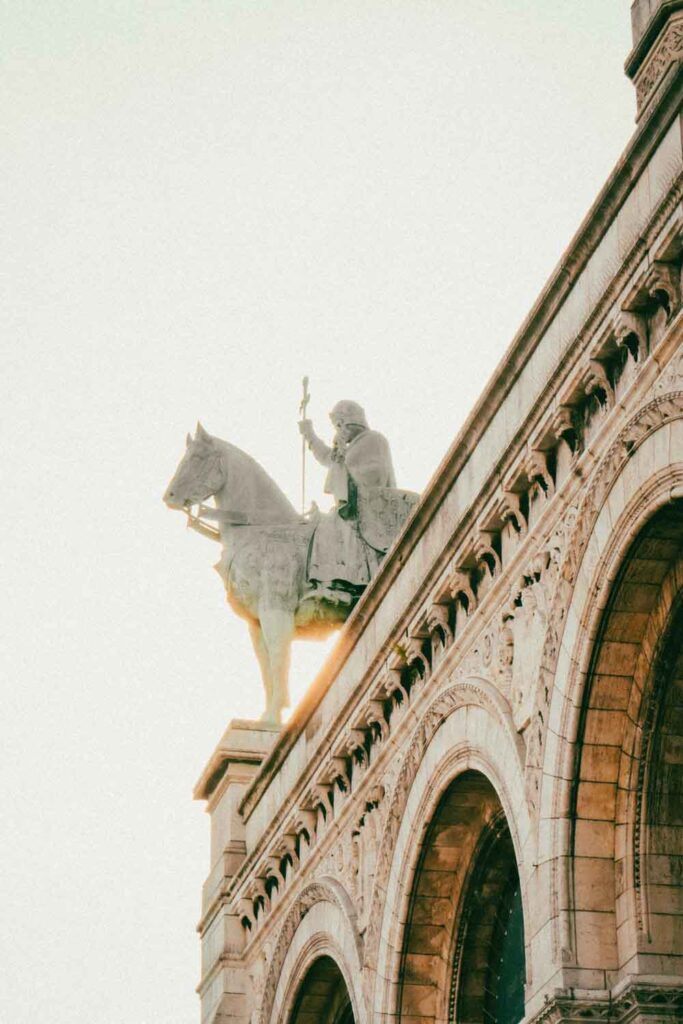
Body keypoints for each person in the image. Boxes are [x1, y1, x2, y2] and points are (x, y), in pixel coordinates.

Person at [299, 400, 396, 594]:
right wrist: (310, 435)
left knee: (336, 525)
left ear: (352, 422)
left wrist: (346, 468)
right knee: (326, 526)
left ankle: (348, 580)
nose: (338, 429)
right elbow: (330, 459)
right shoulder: (351, 446)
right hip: (353, 506)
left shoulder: (373, 439)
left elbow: (376, 472)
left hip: (370, 504)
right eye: (337, 425)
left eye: (341, 424)